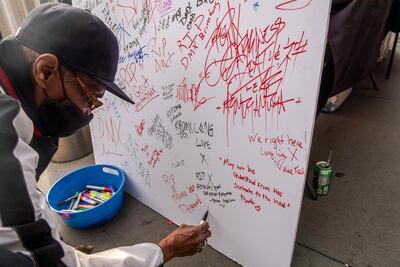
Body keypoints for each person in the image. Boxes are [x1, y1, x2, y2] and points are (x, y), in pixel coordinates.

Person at [0, 3, 211, 267]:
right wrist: (163, 250)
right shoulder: (5, 138)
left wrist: (47, 240)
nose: (89, 111)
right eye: (90, 94)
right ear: (46, 71)